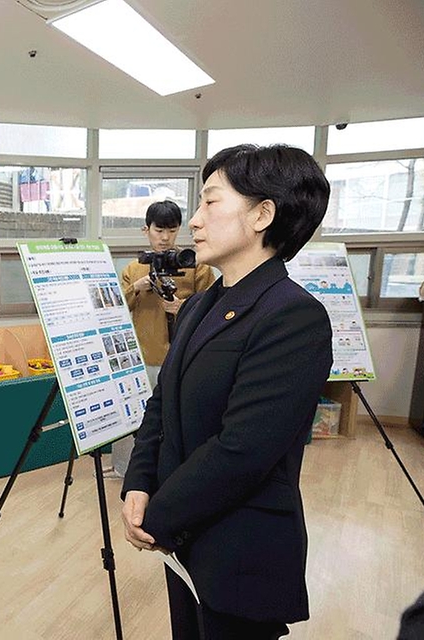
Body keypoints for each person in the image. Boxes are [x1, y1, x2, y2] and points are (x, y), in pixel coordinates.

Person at [120, 144, 334, 640]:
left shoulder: (293, 316)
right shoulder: (200, 305)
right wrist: (138, 483)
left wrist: (157, 516)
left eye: (211, 203)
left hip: (239, 548)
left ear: (263, 214)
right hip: (184, 540)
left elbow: (243, 449)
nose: (194, 221)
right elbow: (161, 406)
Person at [112, 200, 214, 476]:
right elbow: (114, 311)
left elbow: (216, 307)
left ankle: (175, 471)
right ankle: (125, 471)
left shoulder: (195, 266)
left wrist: (185, 307)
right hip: (142, 356)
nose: (165, 238)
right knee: (134, 416)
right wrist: (137, 287)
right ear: (146, 229)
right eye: (159, 230)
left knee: (178, 418)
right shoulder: (134, 269)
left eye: (172, 230)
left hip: (184, 357)